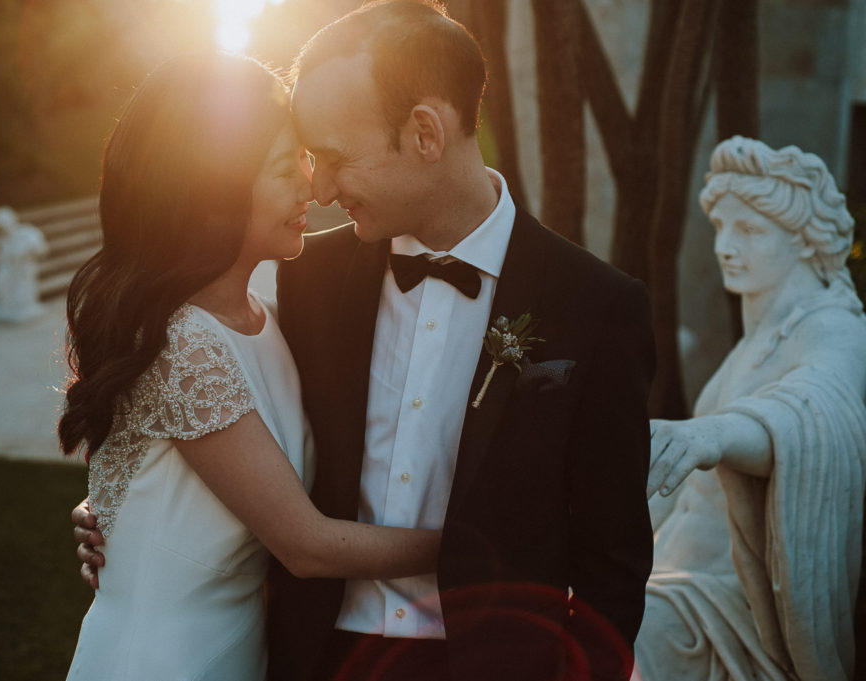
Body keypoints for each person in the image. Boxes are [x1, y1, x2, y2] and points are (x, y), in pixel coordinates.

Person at [76, 2, 655, 679]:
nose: (317, 187)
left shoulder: (595, 306)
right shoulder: (308, 283)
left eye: (332, 156)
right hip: (314, 654)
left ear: (424, 133)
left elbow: (613, 558)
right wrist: (112, 507)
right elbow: (203, 428)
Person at [61, 52, 441, 681]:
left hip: (243, 654)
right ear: (214, 186)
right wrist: (482, 544)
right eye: (282, 167)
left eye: (306, 160)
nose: (309, 187)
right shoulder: (178, 344)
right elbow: (306, 545)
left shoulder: (270, 320)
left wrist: (115, 512)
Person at [635, 137, 866, 680]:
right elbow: (682, 495)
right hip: (667, 578)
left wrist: (714, 434)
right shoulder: (756, 340)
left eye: (751, 230)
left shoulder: (835, 328)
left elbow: (815, 409)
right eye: (722, 228)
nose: (724, 246)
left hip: (732, 614)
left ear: (806, 243)